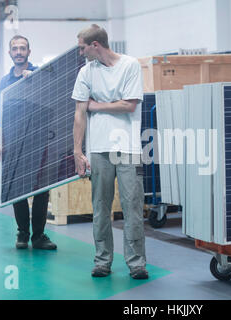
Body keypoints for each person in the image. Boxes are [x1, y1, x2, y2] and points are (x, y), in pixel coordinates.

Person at [72, 24, 148, 279]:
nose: (80, 52)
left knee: (133, 208)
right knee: (101, 208)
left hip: (128, 148)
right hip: (98, 149)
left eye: (82, 47)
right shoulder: (85, 72)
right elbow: (80, 113)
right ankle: (102, 261)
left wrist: (97, 104)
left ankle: (137, 263)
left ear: (95, 45)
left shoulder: (130, 65)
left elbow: (129, 105)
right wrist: (77, 151)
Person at [0, 35, 57, 250]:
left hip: (39, 140)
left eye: (22, 48)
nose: (19, 52)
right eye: (15, 49)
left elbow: (55, 93)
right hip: (14, 142)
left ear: (29, 52)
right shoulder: (5, 82)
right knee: (16, 188)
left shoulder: (40, 73)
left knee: (41, 189)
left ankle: (38, 236)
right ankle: (22, 234)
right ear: (10, 53)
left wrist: (37, 79)